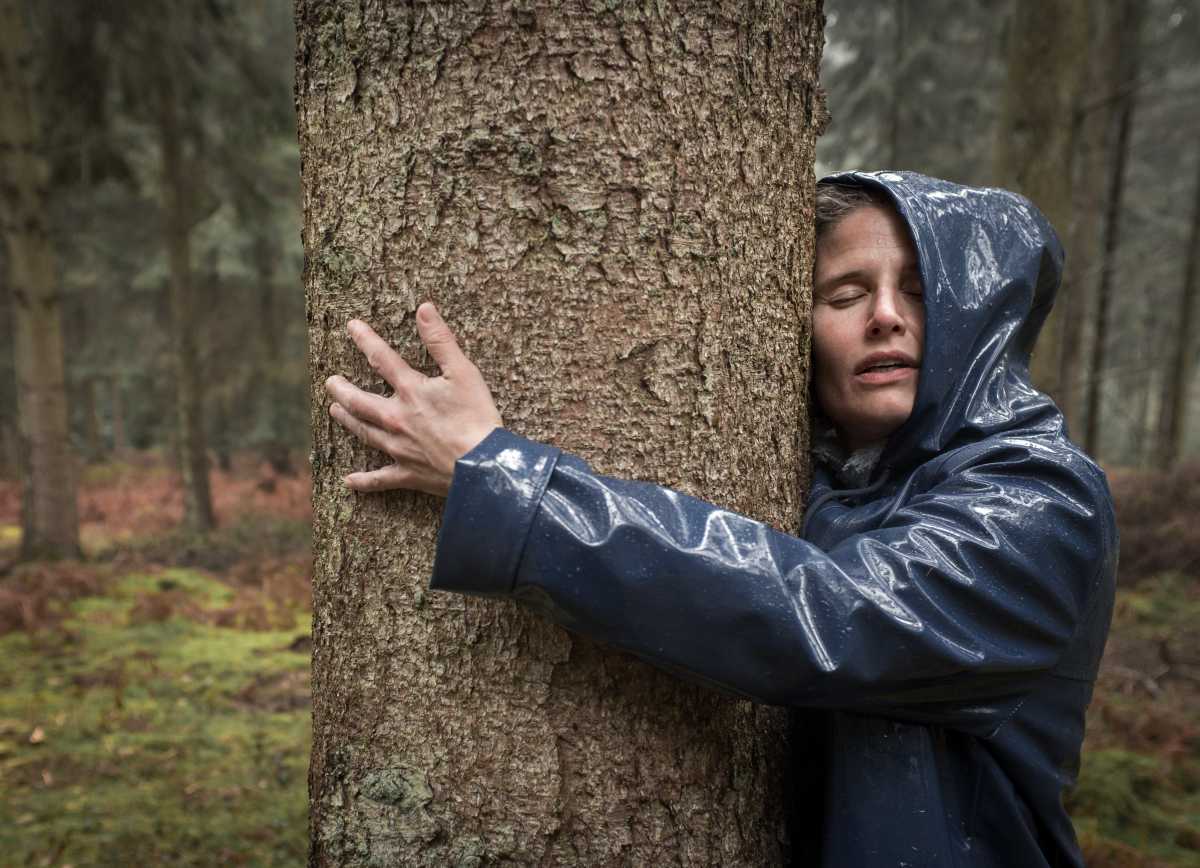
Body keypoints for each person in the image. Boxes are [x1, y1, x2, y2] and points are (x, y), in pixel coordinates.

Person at [323, 171, 1118, 867]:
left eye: (920, 290)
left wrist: (506, 480)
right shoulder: (826, 484)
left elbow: (823, 614)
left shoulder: (1041, 499)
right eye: (844, 294)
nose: (883, 316)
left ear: (981, 318)